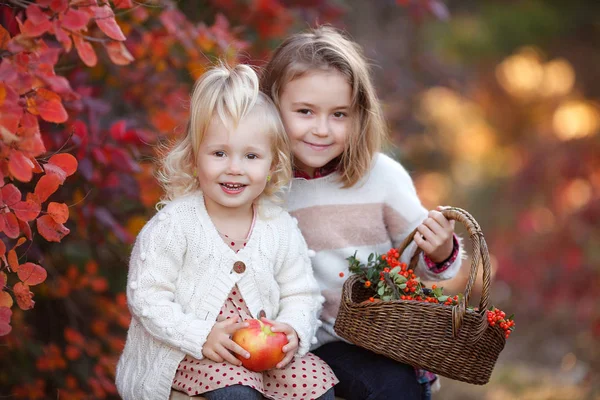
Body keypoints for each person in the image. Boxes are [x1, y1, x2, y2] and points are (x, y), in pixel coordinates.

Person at [261, 26, 464, 400]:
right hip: (299, 343)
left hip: (375, 339)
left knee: (392, 386)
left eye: (339, 114)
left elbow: (420, 258)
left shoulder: (380, 176)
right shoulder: (264, 185)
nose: (321, 130)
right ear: (272, 107)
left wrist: (439, 251)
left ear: (360, 115)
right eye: (305, 112)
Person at [115, 63, 338, 400]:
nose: (234, 168)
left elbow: (301, 294)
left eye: (251, 156)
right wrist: (200, 334)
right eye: (219, 153)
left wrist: (292, 328)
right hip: (193, 353)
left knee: (317, 388)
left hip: (265, 357)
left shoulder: (278, 226)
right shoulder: (175, 225)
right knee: (236, 395)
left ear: (272, 164)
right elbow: (147, 296)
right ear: (194, 158)